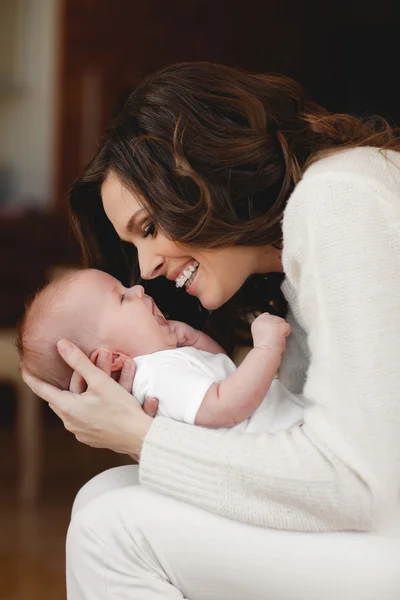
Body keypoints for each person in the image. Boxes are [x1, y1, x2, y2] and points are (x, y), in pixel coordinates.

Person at [21, 62, 400, 600]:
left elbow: (363, 486)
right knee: (101, 496)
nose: (146, 269)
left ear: (202, 174)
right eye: (133, 248)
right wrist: (143, 428)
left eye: (149, 228)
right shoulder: (294, 255)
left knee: (109, 531)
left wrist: (146, 439)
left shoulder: (339, 198)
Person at [18, 267, 303, 432]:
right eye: (122, 298)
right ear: (112, 358)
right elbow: (224, 407)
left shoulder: (163, 365)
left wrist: (194, 339)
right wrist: (266, 349)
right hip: (283, 436)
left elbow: (221, 373)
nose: (138, 290)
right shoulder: (154, 378)